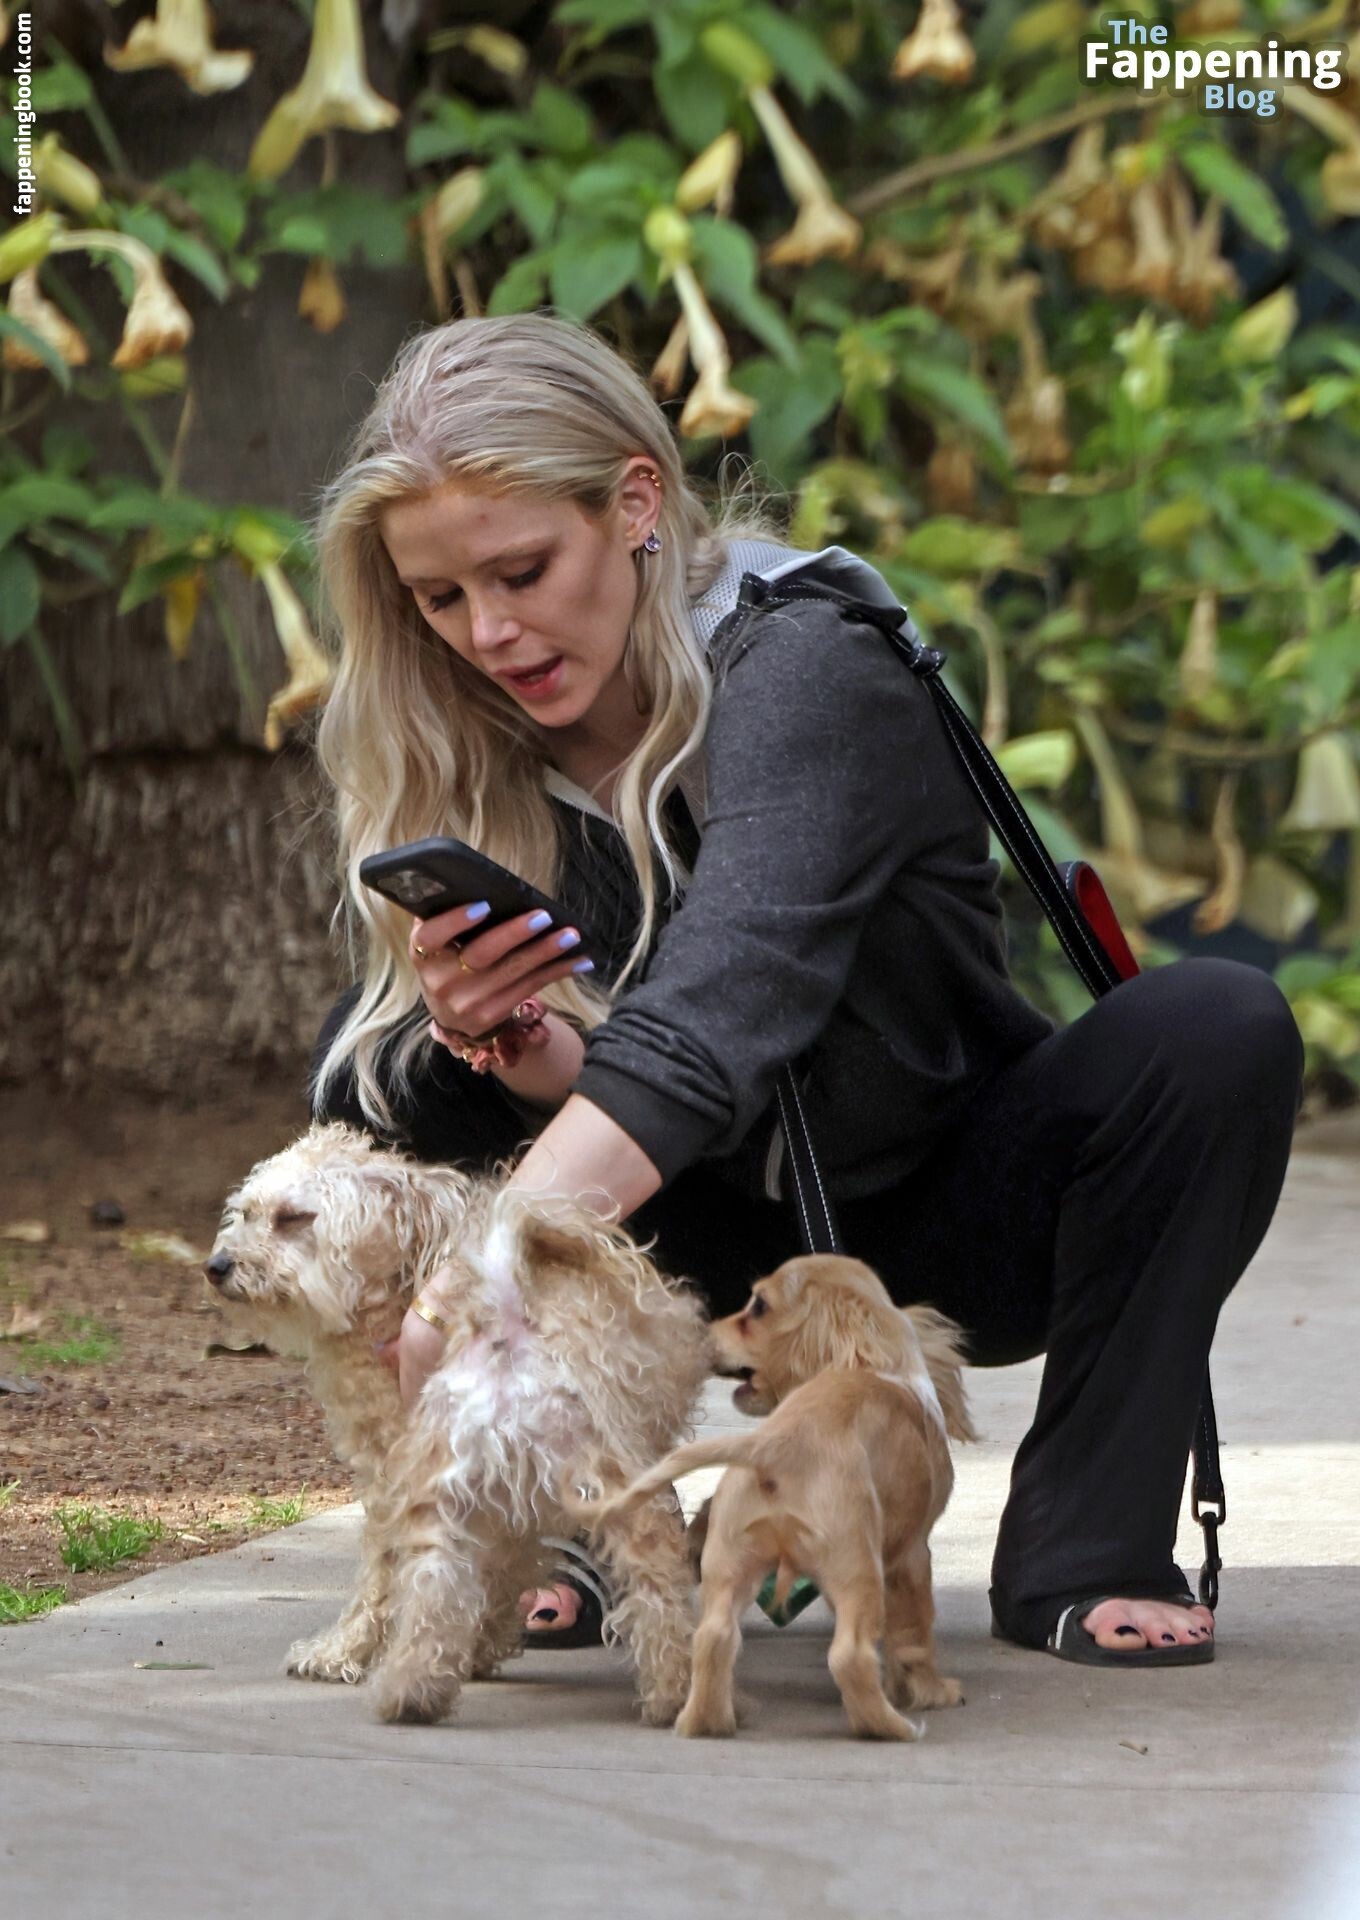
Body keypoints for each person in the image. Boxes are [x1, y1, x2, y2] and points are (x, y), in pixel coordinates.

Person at [306, 311, 1305, 1665]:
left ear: (636, 504)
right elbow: (638, 1078)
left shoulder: (803, 663)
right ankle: (568, 1518)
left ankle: (1086, 1546)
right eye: (439, 598)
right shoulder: (461, 725)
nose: (489, 631)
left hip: (945, 1213)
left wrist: (477, 1285)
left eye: (524, 571)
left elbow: (733, 997)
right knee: (389, 1062)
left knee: (1218, 1027)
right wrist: (509, 1045)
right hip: (708, 1233)